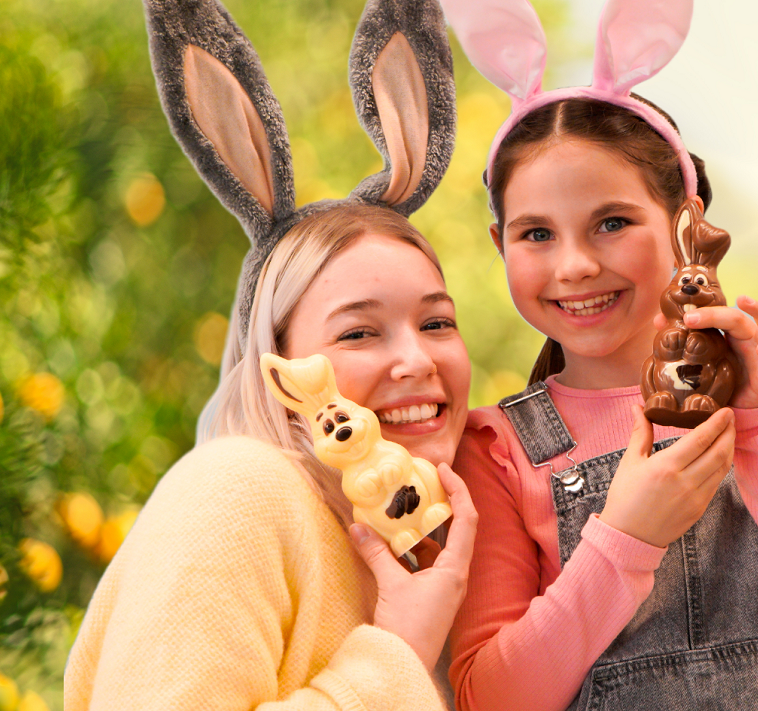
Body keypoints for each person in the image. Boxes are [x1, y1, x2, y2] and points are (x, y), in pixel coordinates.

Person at [438, 1, 758, 709]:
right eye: (536, 235)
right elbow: (489, 697)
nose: (575, 265)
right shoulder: (497, 451)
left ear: (688, 223)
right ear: (500, 244)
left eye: (612, 222)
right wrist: (624, 538)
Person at [66, 0, 476, 708]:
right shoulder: (237, 492)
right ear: (280, 369)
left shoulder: (410, 546)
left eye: (437, 322)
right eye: (358, 332)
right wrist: (397, 655)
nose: (417, 359)